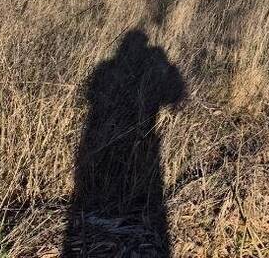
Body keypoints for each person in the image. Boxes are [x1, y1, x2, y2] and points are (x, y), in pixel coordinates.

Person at [63, 30, 185, 257]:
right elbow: (176, 95)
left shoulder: (108, 68)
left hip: (119, 134)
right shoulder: (135, 65)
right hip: (136, 135)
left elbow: (91, 93)